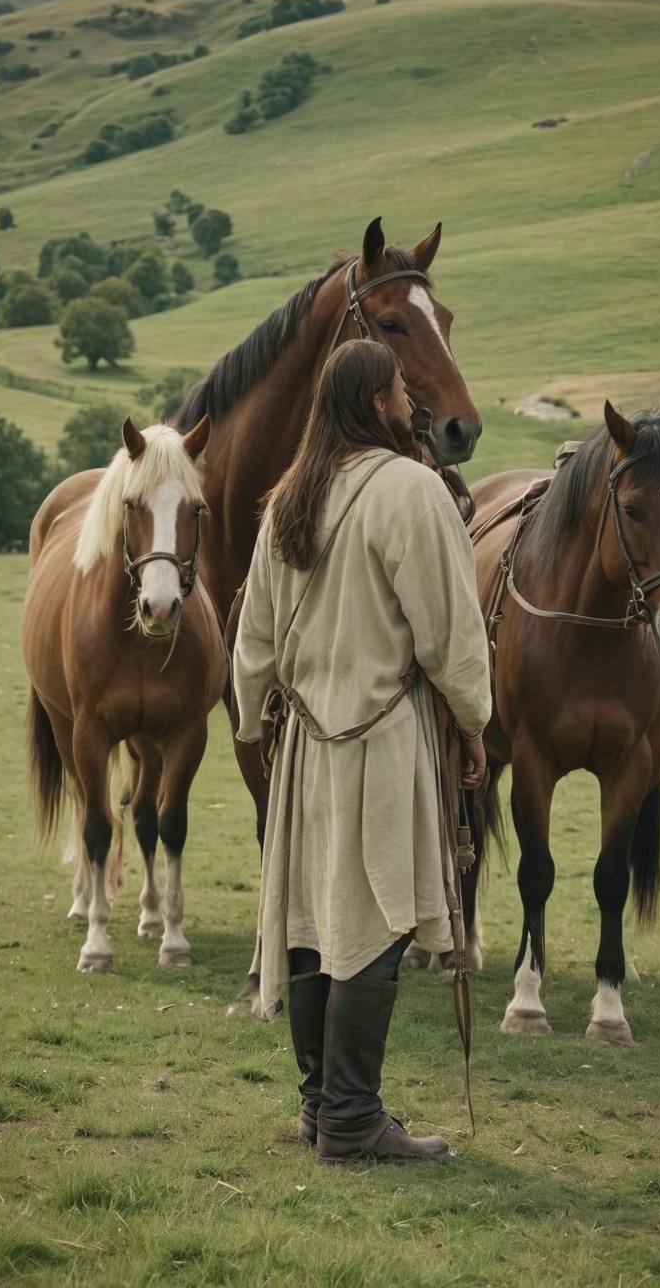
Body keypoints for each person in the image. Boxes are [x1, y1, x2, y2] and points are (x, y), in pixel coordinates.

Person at [233, 338, 491, 1163]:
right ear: (375, 402)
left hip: (305, 745)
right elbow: (450, 631)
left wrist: (247, 722)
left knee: (315, 921)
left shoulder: (288, 500)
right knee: (374, 921)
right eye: (396, 393)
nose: (408, 406)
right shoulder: (411, 491)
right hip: (381, 738)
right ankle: (349, 1118)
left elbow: (253, 641)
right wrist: (475, 719)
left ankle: (322, 1110)